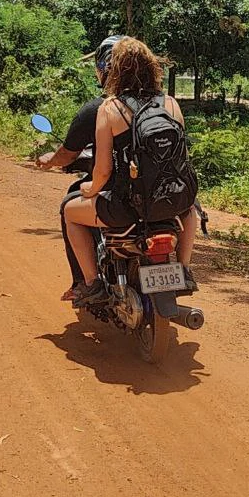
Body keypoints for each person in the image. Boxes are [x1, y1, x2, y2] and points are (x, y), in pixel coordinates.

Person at [61, 37, 199, 305]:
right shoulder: (171, 103)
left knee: (70, 212)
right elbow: (181, 161)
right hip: (172, 201)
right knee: (191, 207)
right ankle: (184, 268)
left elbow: (102, 171)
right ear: (151, 67)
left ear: (114, 70)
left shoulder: (110, 108)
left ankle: (91, 283)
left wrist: (90, 189)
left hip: (128, 205)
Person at [36, 35, 123, 302]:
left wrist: (51, 160)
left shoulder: (100, 109)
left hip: (119, 199)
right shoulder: (163, 105)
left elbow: (77, 158)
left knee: (69, 209)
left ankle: (88, 282)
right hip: (165, 198)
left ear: (102, 68)